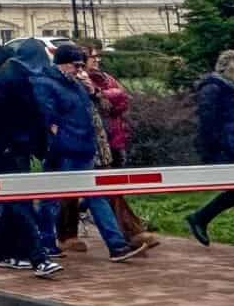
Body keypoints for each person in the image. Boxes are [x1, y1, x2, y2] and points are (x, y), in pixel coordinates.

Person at [30, 44, 148, 262]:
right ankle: (45, 241)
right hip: (63, 151)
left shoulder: (76, 84)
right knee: (52, 199)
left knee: (96, 196)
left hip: (83, 149)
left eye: (83, 65)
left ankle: (117, 246)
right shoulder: (46, 84)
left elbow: (97, 107)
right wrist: (60, 137)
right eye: (77, 65)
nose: (81, 70)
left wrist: (91, 89)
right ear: (64, 64)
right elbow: (46, 116)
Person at [0, 40, 60, 277]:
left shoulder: (4, 80)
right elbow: (30, 116)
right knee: (19, 202)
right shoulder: (14, 82)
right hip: (9, 149)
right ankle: (38, 257)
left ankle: (2, 251)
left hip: (8, 149)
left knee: (14, 202)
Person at [186, 49, 234, 251]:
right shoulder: (214, 89)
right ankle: (200, 217)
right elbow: (208, 124)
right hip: (227, 148)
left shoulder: (231, 90)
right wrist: (216, 150)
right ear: (230, 70)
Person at [86, 51, 158, 249]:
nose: (97, 60)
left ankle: (125, 234)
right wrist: (105, 95)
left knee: (103, 190)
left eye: (97, 55)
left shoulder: (106, 78)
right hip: (90, 144)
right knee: (106, 189)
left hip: (112, 138)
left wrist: (107, 95)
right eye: (92, 56)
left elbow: (120, 101)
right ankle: (130, 233)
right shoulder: (81, 81)